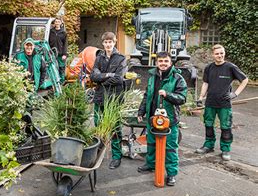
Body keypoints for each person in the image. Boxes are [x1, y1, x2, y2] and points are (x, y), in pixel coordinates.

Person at [137, 51, 187, 186]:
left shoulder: (177, 78)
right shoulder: (152, 76)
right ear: (156, 63)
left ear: (171, 63)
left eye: (166, 61)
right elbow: (147, 96)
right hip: (152, 118)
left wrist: (168, 94)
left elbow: (182, 98)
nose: (163, 64)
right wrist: (141, 111)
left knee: (170, 148)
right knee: (151, 144)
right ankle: (151, 164)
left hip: (169, 119)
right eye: (160, 61)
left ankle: (171, 174)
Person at [195, 44, 248, 161]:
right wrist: (200, 97)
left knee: (226, 126)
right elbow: (205, 83)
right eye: (217, 53)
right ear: (213, 55)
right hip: (210, 102)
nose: (220, 55)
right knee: (208, 124)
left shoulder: (230, 67)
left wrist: (235, 94)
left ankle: (225, 149)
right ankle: (208, 145)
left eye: (221, 53)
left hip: (224, 103)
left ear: (224, 53)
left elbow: (244, 80)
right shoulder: (209, 68)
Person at [90, 32, 127, 169]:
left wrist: (102, 80)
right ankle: (99, 151)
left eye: (110, 42)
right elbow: (93, 76)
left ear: (115, 42)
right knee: (98, 124)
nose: (108, 44)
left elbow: (119, 78)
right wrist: (108, 75)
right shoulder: (99, 57)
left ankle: (117, 156)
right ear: (103, 43)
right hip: (100, 96)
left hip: (114, 98)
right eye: (106, 42)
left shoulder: (121, 58)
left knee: (115, 127)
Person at [48, 17, 68, 83]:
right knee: (53, 68)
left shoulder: (63, 33)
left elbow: (65, 44)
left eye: (58, 22)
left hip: (60, 54)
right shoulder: (50, 32)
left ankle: (61, 83)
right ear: (54, 23)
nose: (57, 23)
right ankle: (54, 82)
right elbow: (47, 42)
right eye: (56, 22)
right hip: (52, 53)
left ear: (61, 23)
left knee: (61, 68)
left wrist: (64, 54)